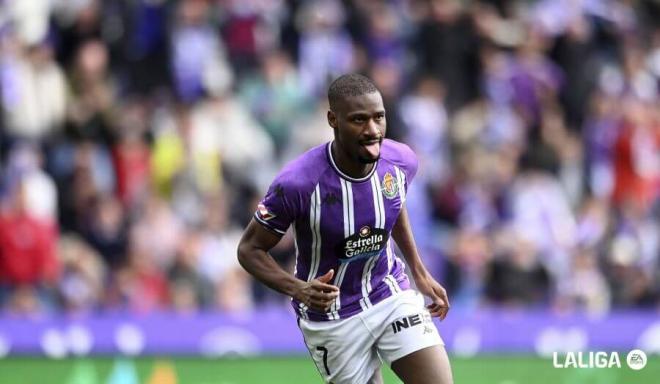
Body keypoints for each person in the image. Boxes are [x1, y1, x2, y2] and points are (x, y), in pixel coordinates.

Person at [237, 74, 453, 384]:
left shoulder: (401, 161)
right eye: (358, 120)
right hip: (331, 319)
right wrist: (297, 288)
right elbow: (249, 250)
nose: (373, 130)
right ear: (332, 120)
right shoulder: (297, 184)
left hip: (388, 292)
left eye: (379, 118)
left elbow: (394, 201)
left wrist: (419, 271)